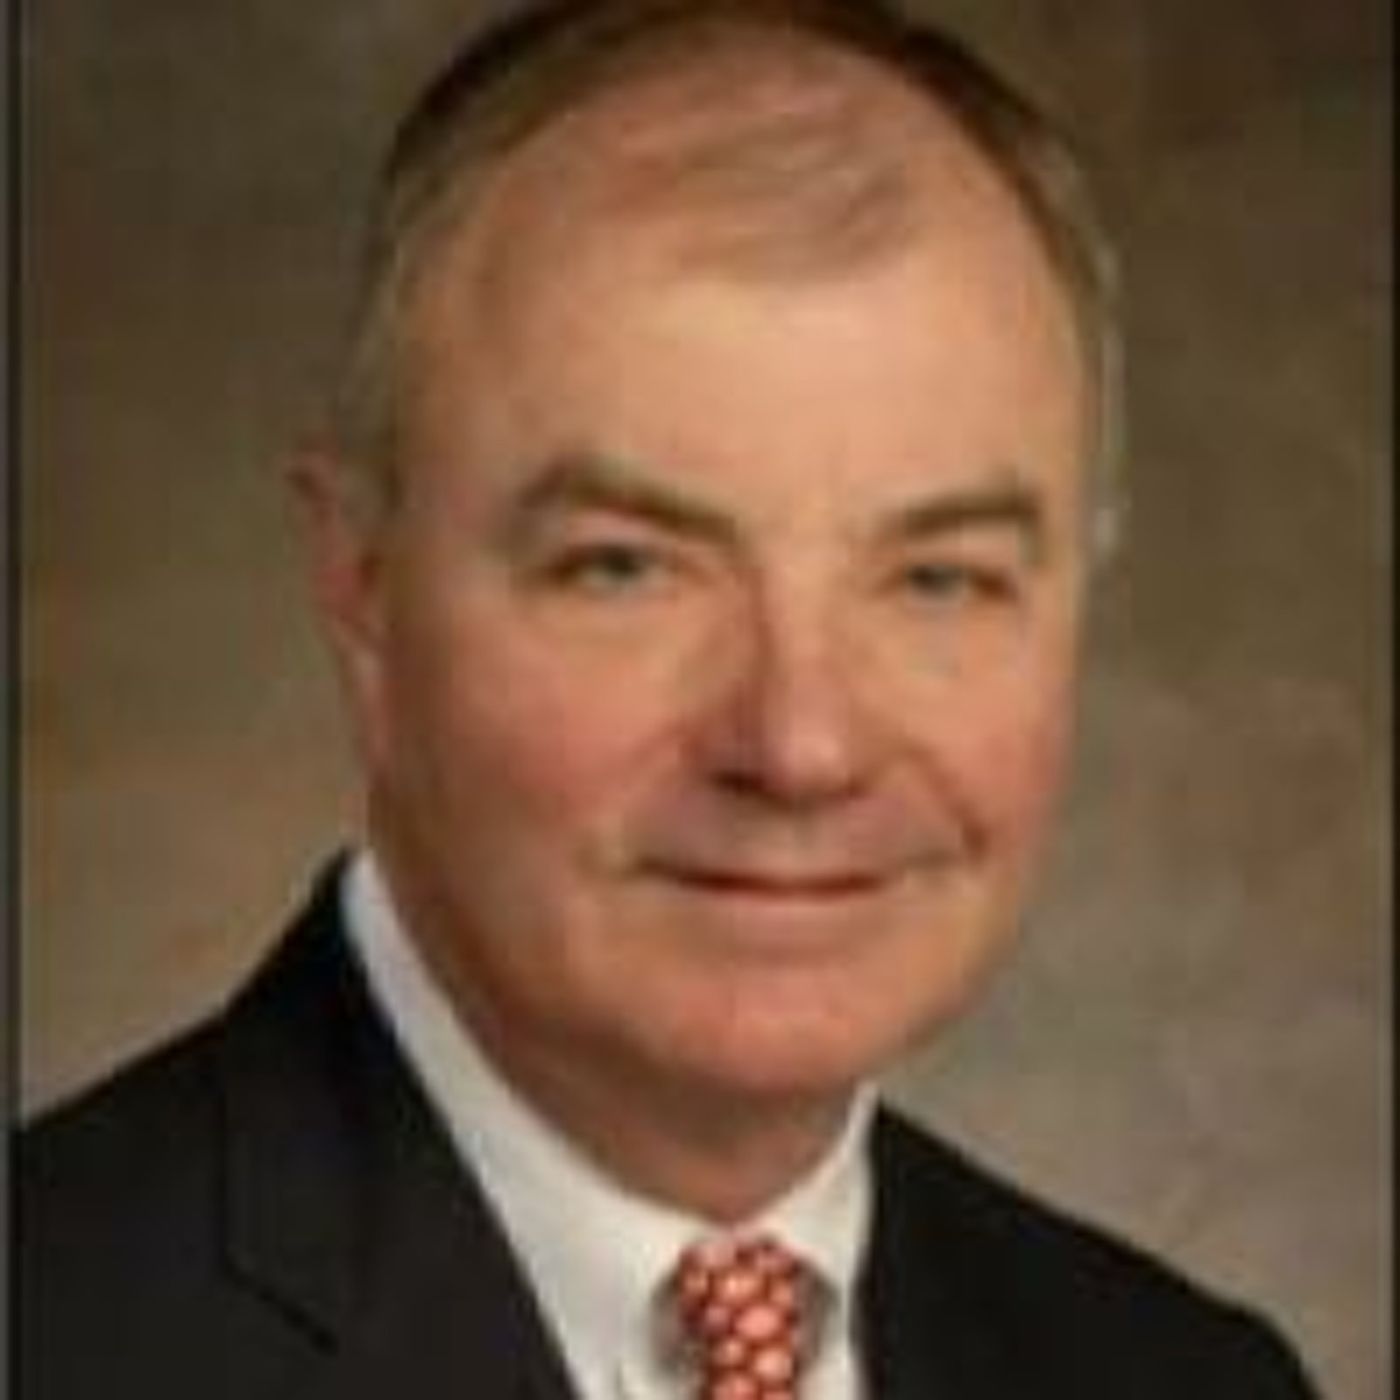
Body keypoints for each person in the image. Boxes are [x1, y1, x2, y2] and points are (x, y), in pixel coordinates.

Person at [19, 2, 1321, 1396]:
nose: (802, 745)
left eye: (939, 580)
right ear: (364, 589)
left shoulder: (1188, 1378)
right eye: (625, 568)